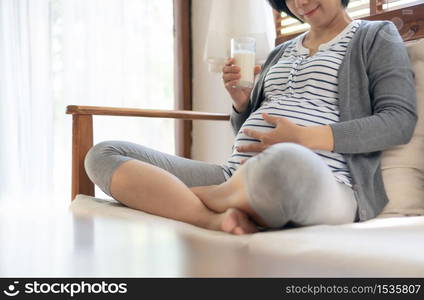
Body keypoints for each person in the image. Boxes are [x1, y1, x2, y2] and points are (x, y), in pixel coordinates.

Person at [84, 0, 417, 235]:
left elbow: (398, 120)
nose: (299, 2)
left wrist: (303, 138)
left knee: (285, 161)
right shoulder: (281, 51)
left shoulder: (374, 36)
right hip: (235, 174)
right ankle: (214, 219)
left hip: (325, 180)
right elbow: (247, 132)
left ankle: (180, 197)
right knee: (104, 154)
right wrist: (242, 102)